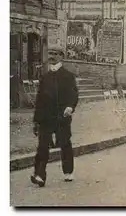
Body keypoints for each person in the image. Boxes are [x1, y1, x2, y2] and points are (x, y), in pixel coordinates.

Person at [31, 46, 79, 187]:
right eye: (50, 53)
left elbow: (74, 94)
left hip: (62, 117)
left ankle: (68, 171)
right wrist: (36, 121)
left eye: (55, 54)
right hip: (46, 117)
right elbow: (39, 100)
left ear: (61, 56)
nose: (51, 56)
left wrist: (70, 107)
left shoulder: (68, 76)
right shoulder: (45, 77)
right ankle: (39, 175)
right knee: (42, 146)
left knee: (64, 143)